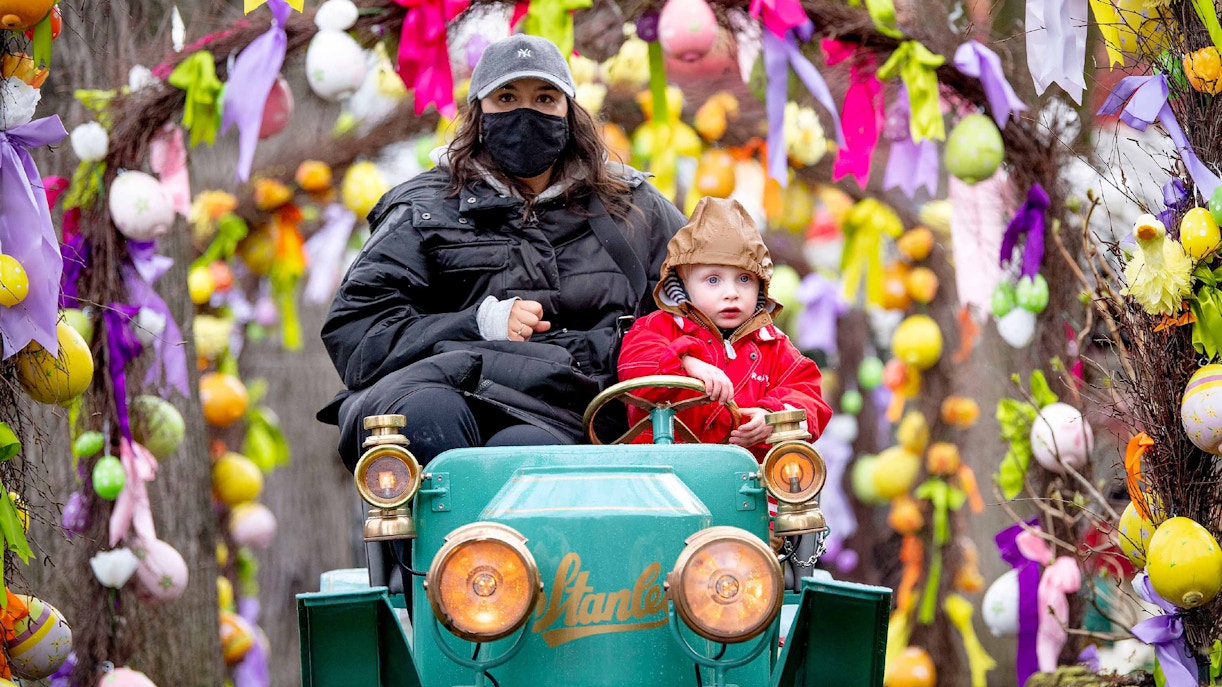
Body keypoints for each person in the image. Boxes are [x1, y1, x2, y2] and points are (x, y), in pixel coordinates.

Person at [317, 34, 687, 470]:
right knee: (424, 422)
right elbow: (358, 333)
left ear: (569, 113)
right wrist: (476, 323)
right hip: (443, 388)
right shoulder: (420, 208)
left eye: (545, 98)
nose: (525, 113)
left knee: (522, 454)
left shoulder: (634, 207)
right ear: (478, 113)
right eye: (506, 97)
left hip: (574, 411)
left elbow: (704, 299)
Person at [616, 197, 832, 460]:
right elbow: (633, 371)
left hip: (743, 482)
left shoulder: (774, 345)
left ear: (761, 284)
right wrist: (687, 363)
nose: (731, 293)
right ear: (683, 280)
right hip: (665, 475)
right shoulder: (657, 328)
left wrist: (773, 417)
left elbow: (807, 395)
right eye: (713, 280)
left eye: (744, 279)